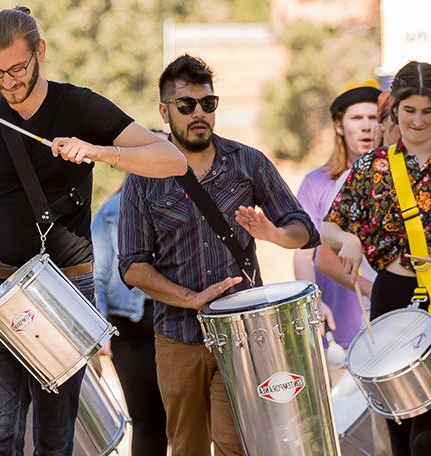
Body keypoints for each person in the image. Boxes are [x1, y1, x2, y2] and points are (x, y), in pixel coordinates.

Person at [0, 7, 187, 454]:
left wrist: (99, 151)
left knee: (55, 441)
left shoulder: (78, 105)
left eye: (18, 69)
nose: (10, 83)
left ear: (41, 51)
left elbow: (171, 159)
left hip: (67, 284)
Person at [116, 54, 319, 456]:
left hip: (245, 337)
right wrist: (191, 299)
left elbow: (304, 230)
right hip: (178, 337)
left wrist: (275, 234)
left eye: (208, 104)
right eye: (186, 105)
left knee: (237, 445)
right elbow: (132, 266)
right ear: (164, 110)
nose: (199, 114)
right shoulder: (143, 176)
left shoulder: (248, 162)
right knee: (187, 447)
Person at [321, 61, 431, 456]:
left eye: (427, 111)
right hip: (392, 295)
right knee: (399, 433)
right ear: (395, 109)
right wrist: (346, 239)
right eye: (409, 110)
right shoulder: (372, 166)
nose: (418, 120)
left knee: (427, 435)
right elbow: (328, 228)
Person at [296, 81, 383, 350]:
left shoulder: (398, 177)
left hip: (388, 315)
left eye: (374, 117)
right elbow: (304, 253)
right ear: (339, 125)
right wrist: (312, 302)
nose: (366, 126)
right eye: (357, 118)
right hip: (339, 320)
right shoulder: (316, 182)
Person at [91, 192, 170, 456]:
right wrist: (99, 331)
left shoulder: (180, 198)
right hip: (129, 328)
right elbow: (96, 275)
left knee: (182, 416)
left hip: (175, 321)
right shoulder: (111, 211)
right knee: (147, 419)